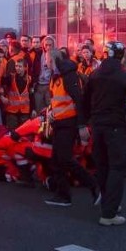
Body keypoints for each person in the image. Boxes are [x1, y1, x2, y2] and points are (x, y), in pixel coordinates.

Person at [83, 42, 126, 225]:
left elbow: (84, 101)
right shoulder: (124, 77)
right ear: (121, 56)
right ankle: (109, 214)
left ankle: (109, 203)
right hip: (115, 127)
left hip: (97, 127)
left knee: (103, 166)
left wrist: (82, 125)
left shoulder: (94, 75)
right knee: (118, 166)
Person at [44, 46, 100, 208]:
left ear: (53, 60)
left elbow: (78, 100)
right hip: (60, 122)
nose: (46, 64)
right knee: (57, 159)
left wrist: (81, 125)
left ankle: (92, 185)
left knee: (65, 159)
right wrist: (51, 113)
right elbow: (58, 100)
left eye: (47, 60)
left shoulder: (68, 76)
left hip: (69, 123)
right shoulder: (56, 77)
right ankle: (63, 195)